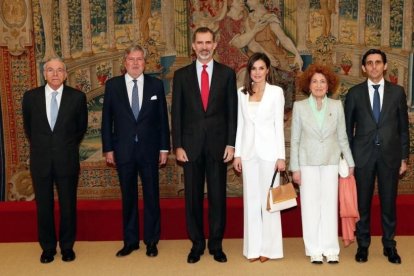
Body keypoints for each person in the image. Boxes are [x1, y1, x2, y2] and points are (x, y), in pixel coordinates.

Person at [171, 27, 237, 264]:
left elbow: (232, 112)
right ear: (193, 46)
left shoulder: (227, 74)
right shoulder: (181, 76)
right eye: (200, 42)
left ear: (215, 45)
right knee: (193, 198)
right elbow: (176, 114)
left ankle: (216, 245)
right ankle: (197, 244)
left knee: (218, 197)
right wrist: (177, 145)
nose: (204, 47)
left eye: (208, 42)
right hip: (190, 147)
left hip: (219, 146)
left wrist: (231, 143)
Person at [101, 45, 170, 258]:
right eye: (131, 59)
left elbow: (162, 119)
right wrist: (108, 149)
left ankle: (151, 241)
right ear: (125, 62)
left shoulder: (156, 85)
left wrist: (164, 148)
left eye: (139, 59)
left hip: (149, 151)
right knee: (128, 197)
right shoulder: (112, 86)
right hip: (123, 151)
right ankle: (130, 242)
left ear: (145, 62)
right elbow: (106, 121)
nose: (135, 63)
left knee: (151, 197)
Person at [345, 49, 409, 264]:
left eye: (378, 62)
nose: (374, 66)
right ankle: (363, 245)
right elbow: (346, 130)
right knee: (362, 203)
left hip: (390, 157)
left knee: (389, 203)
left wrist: (404, 157)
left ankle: (389, 245)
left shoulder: (397, 92)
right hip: (362, 157)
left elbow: (403, 128)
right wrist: (347, 159)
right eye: (369, 63)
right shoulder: (354, 93)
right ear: (363, 68)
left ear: (385, 66)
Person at [22, 57, 88, 263]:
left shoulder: (77, 97)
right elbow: (29, 127)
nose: (55, 74)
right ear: (44, 74)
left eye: (60, 70)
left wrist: (63, 145)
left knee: (68, 205)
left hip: (66, 159)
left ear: (66, 74)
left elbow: (80, 129)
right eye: (50, 70)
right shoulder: (30, 97)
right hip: (40, 160)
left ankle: (67, 247)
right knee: (44, 205)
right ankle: (48, 248)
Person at [290, 64, 354, 264]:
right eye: (315, 81)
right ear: (308, 85)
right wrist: (295, 168)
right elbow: (295, 140)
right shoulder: (299, 107)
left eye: (323, 82)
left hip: (330, 162)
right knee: (309, 207)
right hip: (307, 163)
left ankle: (330, 248)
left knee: (329, 205)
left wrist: (350, 162)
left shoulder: (336, 106)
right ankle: (314, 249)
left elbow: (343, 137)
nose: (319, 85)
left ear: (329, 86)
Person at [233, 52, 286, 263]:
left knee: (270, 202)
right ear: (249, 71)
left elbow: (278, 127)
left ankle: (270, 249)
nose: (257, 72)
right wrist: (237, 153)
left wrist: (281, 157)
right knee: (252, 201)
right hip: (248, 153)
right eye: (253, 68)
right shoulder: (241, 93)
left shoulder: (276, 92)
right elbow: (240, 125)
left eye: (261, 68)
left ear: (267, 70)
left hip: (270, 154)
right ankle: (253, 248)